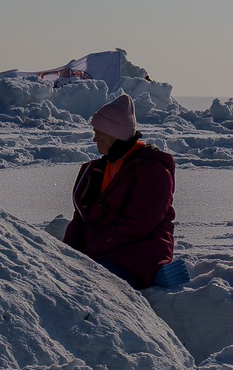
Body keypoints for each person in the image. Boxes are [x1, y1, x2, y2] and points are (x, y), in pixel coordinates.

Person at [64, 94, 176, 288]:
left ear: (112, 134)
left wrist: (91, 251)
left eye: (97, 132)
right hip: (99, 254)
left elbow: (137, 226)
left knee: (87, 285)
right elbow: (80, 220)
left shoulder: (152, 171)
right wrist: (64, 255)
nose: (94, 138)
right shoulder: (95, 170)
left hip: (138, 258)